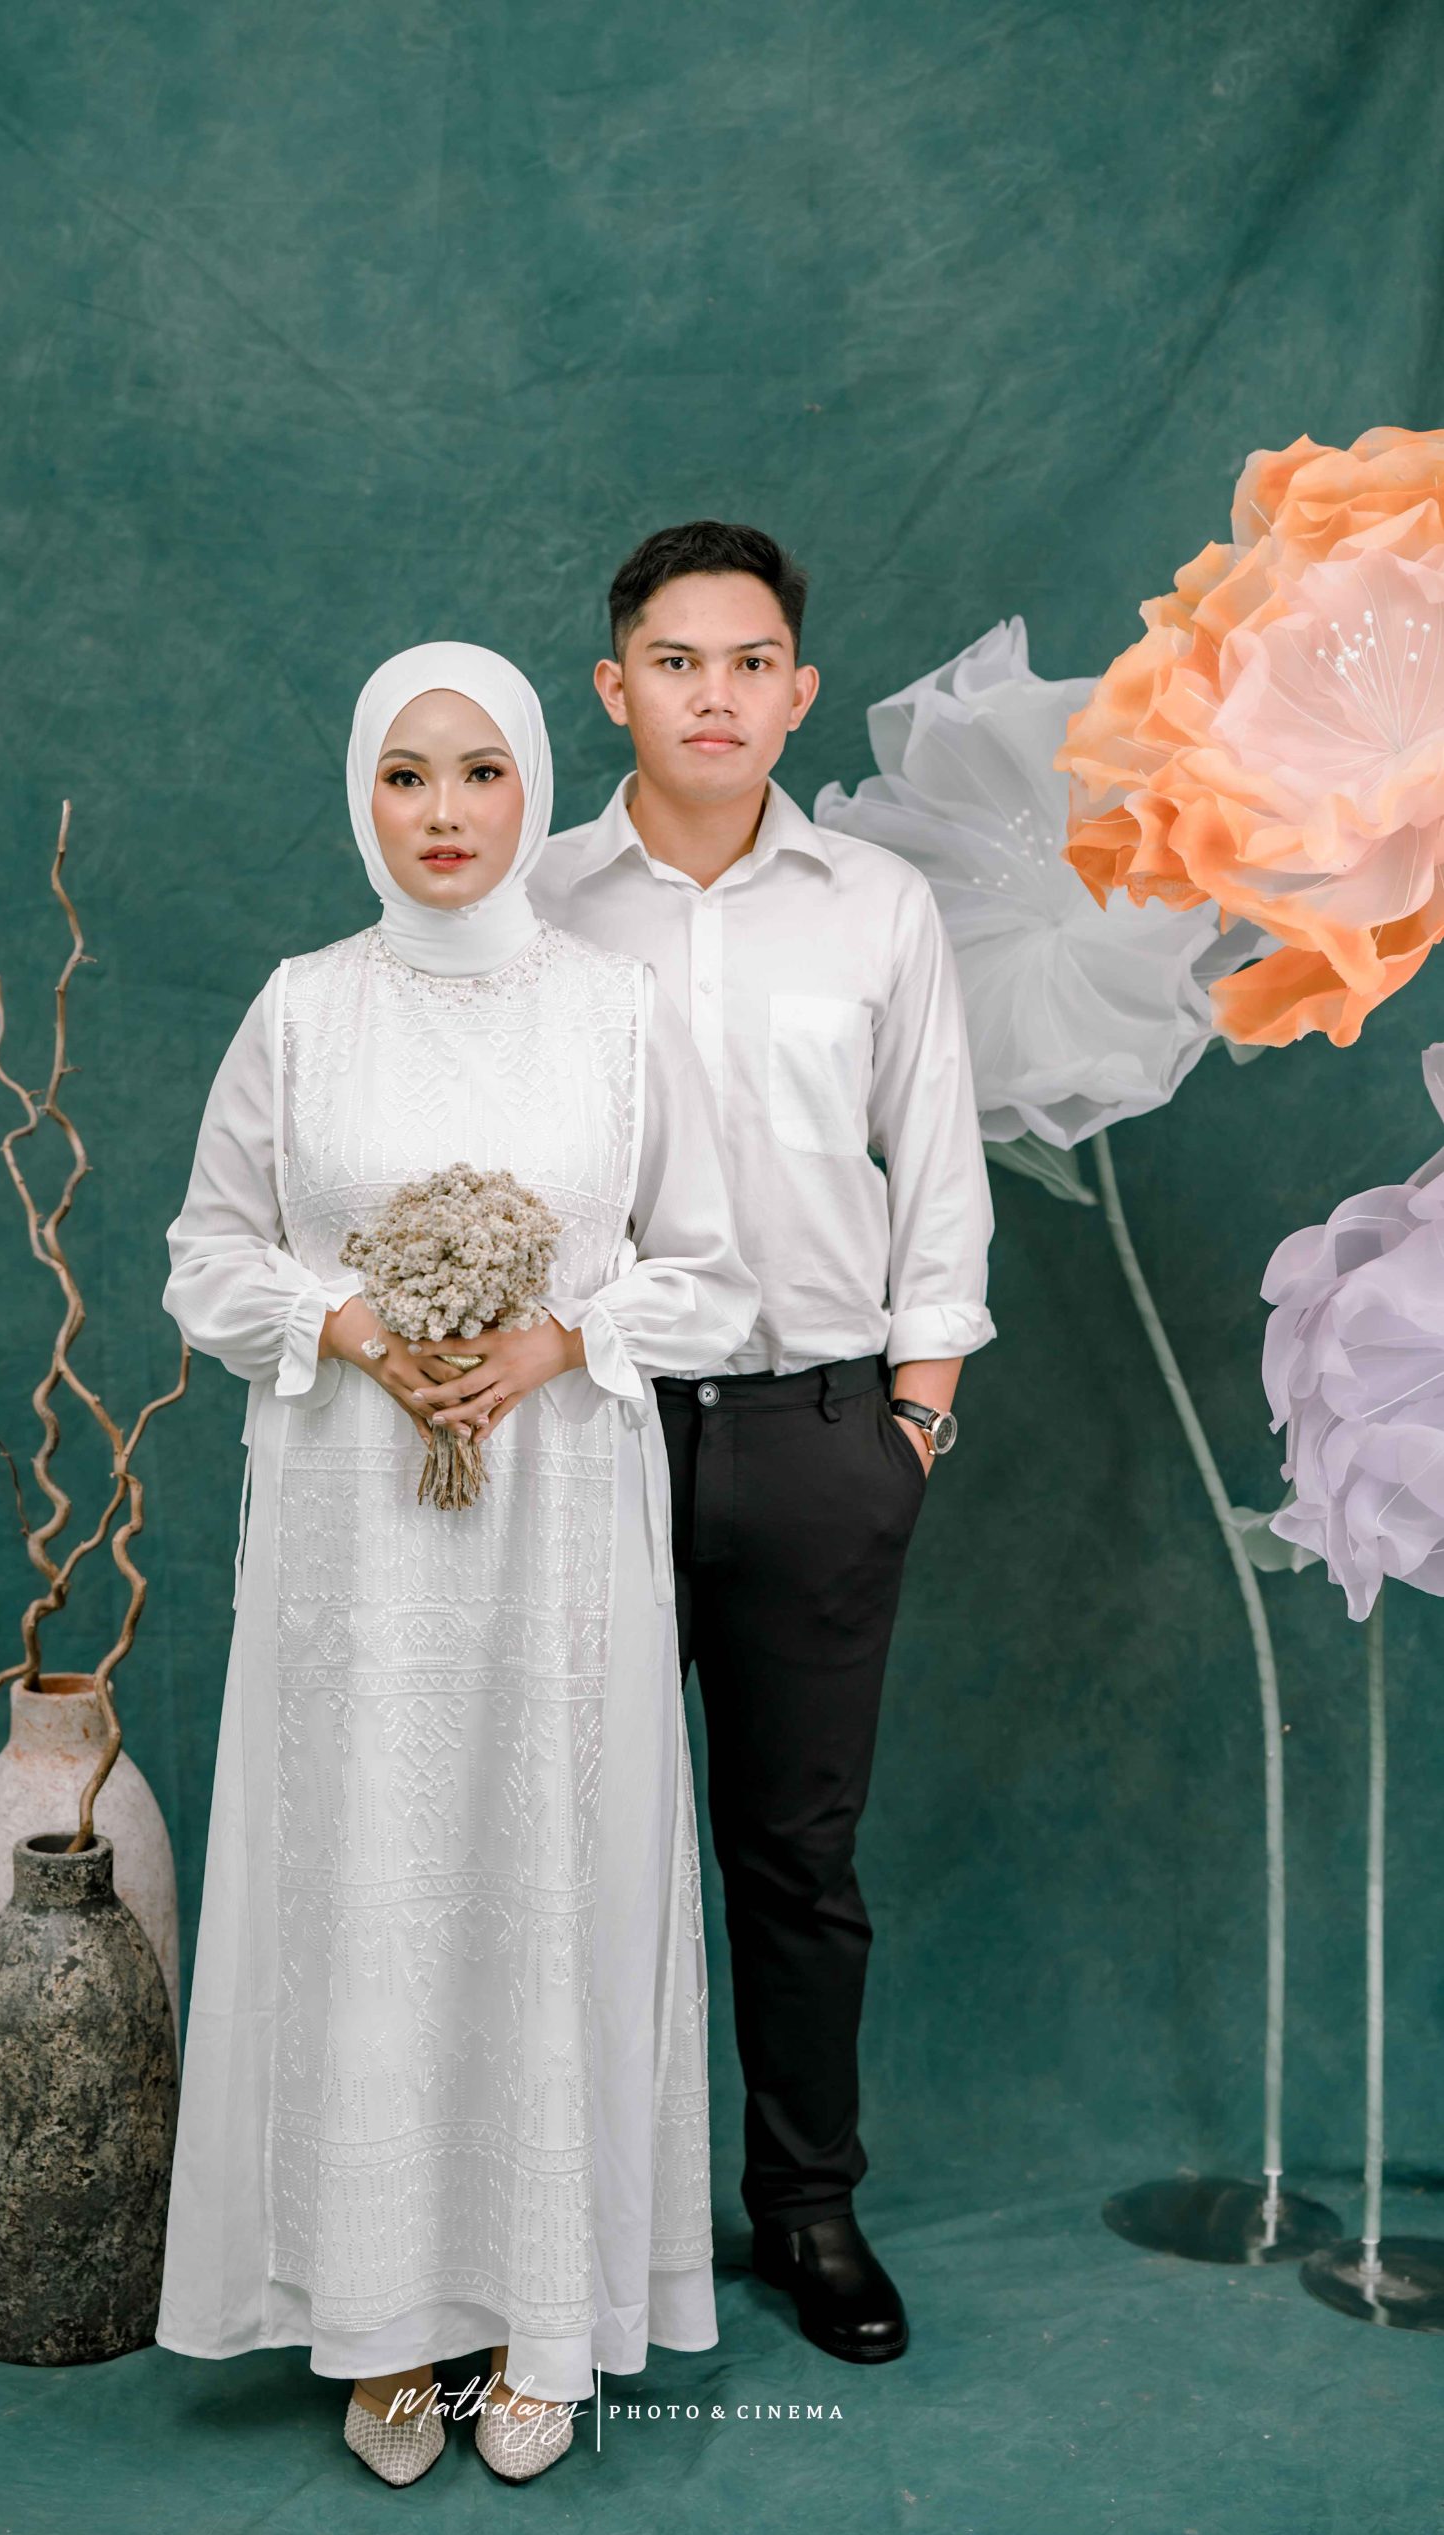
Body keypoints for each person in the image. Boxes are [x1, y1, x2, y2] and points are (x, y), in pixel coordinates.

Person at [154, 641, 759, 2486]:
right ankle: (386, 2322)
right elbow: (206, 1255)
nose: (443, 812)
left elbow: (713, 1270)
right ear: (362, 795)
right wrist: (348, 1327)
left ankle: (537, 2317)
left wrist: (559, 1341)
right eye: (406, 775)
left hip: (559, 1527)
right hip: (353, 1539)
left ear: (533, 793)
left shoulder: (616, 1015)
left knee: (544, 1876)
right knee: (372, 1882)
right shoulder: (299, 1012)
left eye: (480, 772)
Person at [534, 523, 995, 2366]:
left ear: (797, 692)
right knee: (575, 1841)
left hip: (823, 1428)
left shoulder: (875, 908)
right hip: (595, 1429)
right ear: (616, 688)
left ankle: (807, 2207)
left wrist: (913, 1421)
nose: (711, 695)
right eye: (675, 662)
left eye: (747, 664)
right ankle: (567, 2220)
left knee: (797, 1856)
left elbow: (938, 1169)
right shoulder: (541, 901)